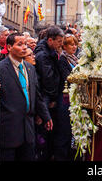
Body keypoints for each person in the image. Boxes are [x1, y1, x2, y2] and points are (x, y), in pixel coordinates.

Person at [0, 33, 53, 161]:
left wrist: (46, 116)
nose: (24, 47)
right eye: (20, 44)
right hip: (8, 131)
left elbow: (36, 95)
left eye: (25, 44)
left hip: (28, 129)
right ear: (9, 47)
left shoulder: (30, 68)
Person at [33, 26, 65, 160]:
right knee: (44, 131)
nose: (61, 45)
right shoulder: (43, 55)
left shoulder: (50, 52)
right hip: (44, 98)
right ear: (50, 40)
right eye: (58, 41)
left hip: (48, 97)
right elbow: (48, 79)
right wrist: (52, 97)